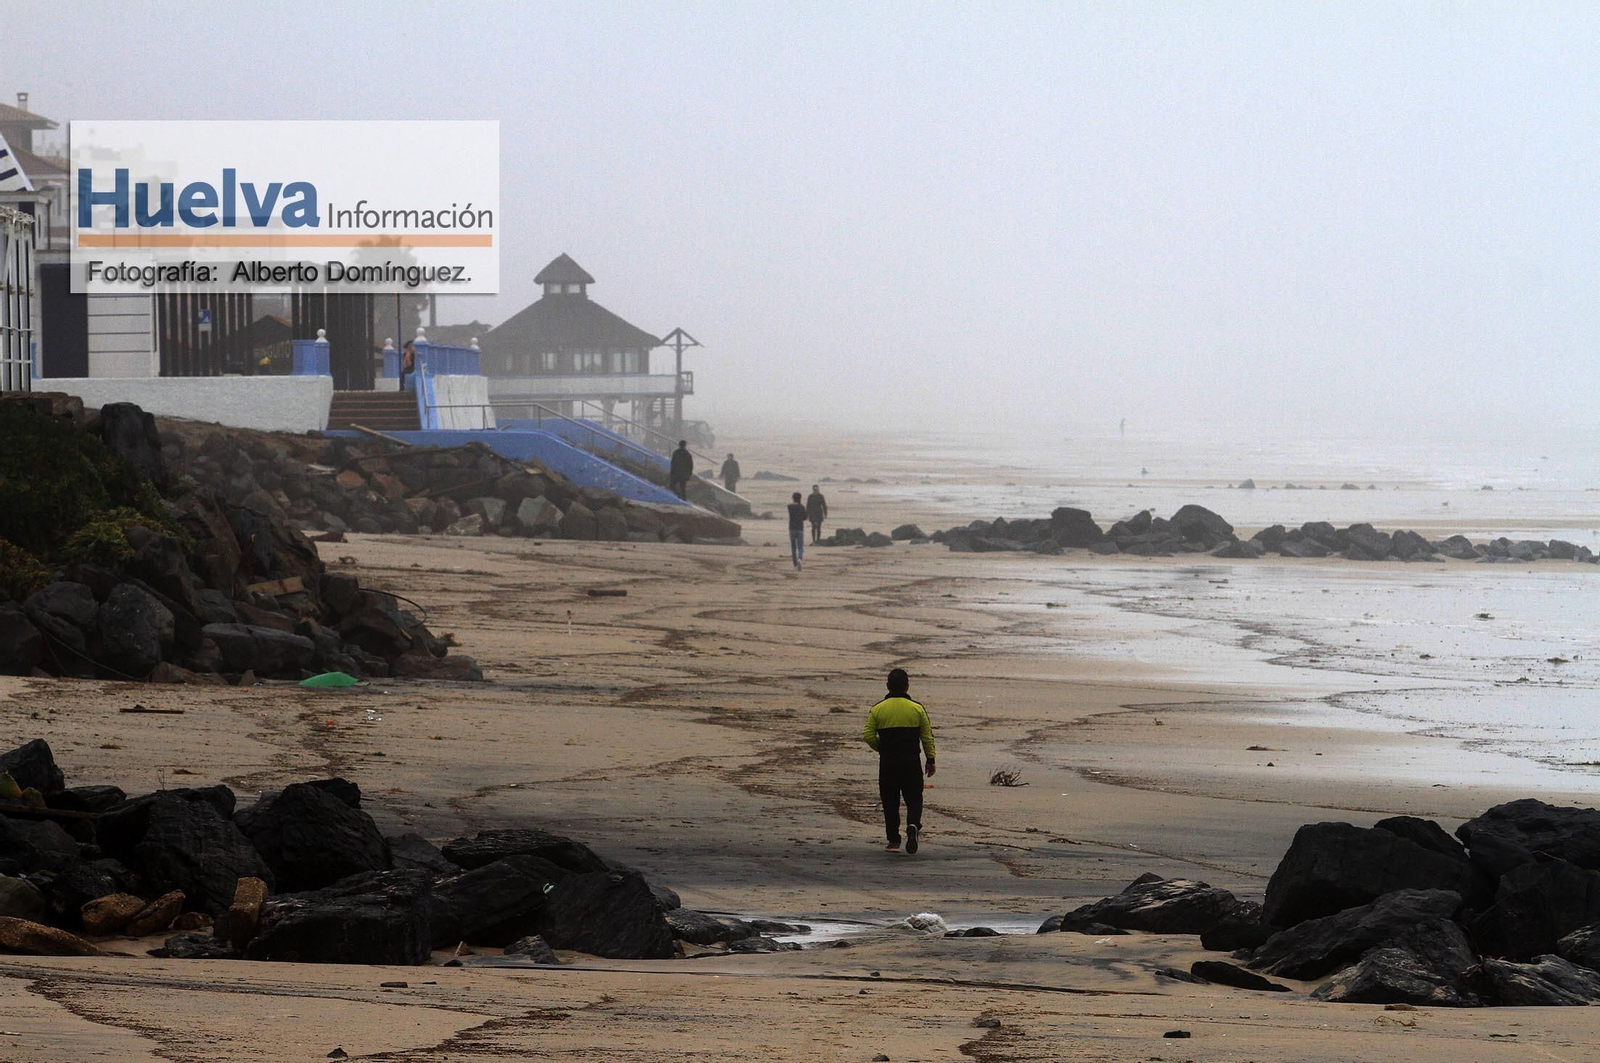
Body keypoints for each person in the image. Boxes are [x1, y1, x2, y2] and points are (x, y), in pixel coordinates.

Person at [862, 668, 936, 853]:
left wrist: (882, 748)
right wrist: (930, 759)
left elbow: (868, 735)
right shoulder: (917, 709)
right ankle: (912, 824)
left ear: (887, 686)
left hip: (888, 762)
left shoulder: (877, 709)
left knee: (890, 800)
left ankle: (893, 839)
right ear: (907, 686)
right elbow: (927, 737)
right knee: (914, 797)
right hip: (911, 761)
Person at [786, 491, 807, 570]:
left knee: (793, 546)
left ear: (793, 498)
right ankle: (800, 558)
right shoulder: (802, 507)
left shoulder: (789, 506)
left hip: (792, 528)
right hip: (800, 528)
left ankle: (795, 564)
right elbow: (805, 517)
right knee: (800, 546)